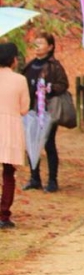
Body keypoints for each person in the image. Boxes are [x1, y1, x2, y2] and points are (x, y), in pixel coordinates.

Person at [22, 32, 69, 193]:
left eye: (41, 43)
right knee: (31, 143)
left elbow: (63, 85)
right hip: (30, 110)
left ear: (50, 47)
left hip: (48, 110)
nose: (37, 46)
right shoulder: (29, 65)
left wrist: (48, 89)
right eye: (36, 43)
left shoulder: (54, 66)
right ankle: (34, 178)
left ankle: (52, 180)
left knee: (49, 144)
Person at [0, 43, 30, 228]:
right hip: (9, 128)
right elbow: (24, 108)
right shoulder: (20, 80)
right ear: (13, 60)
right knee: (8, 173)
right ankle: (3, 215)